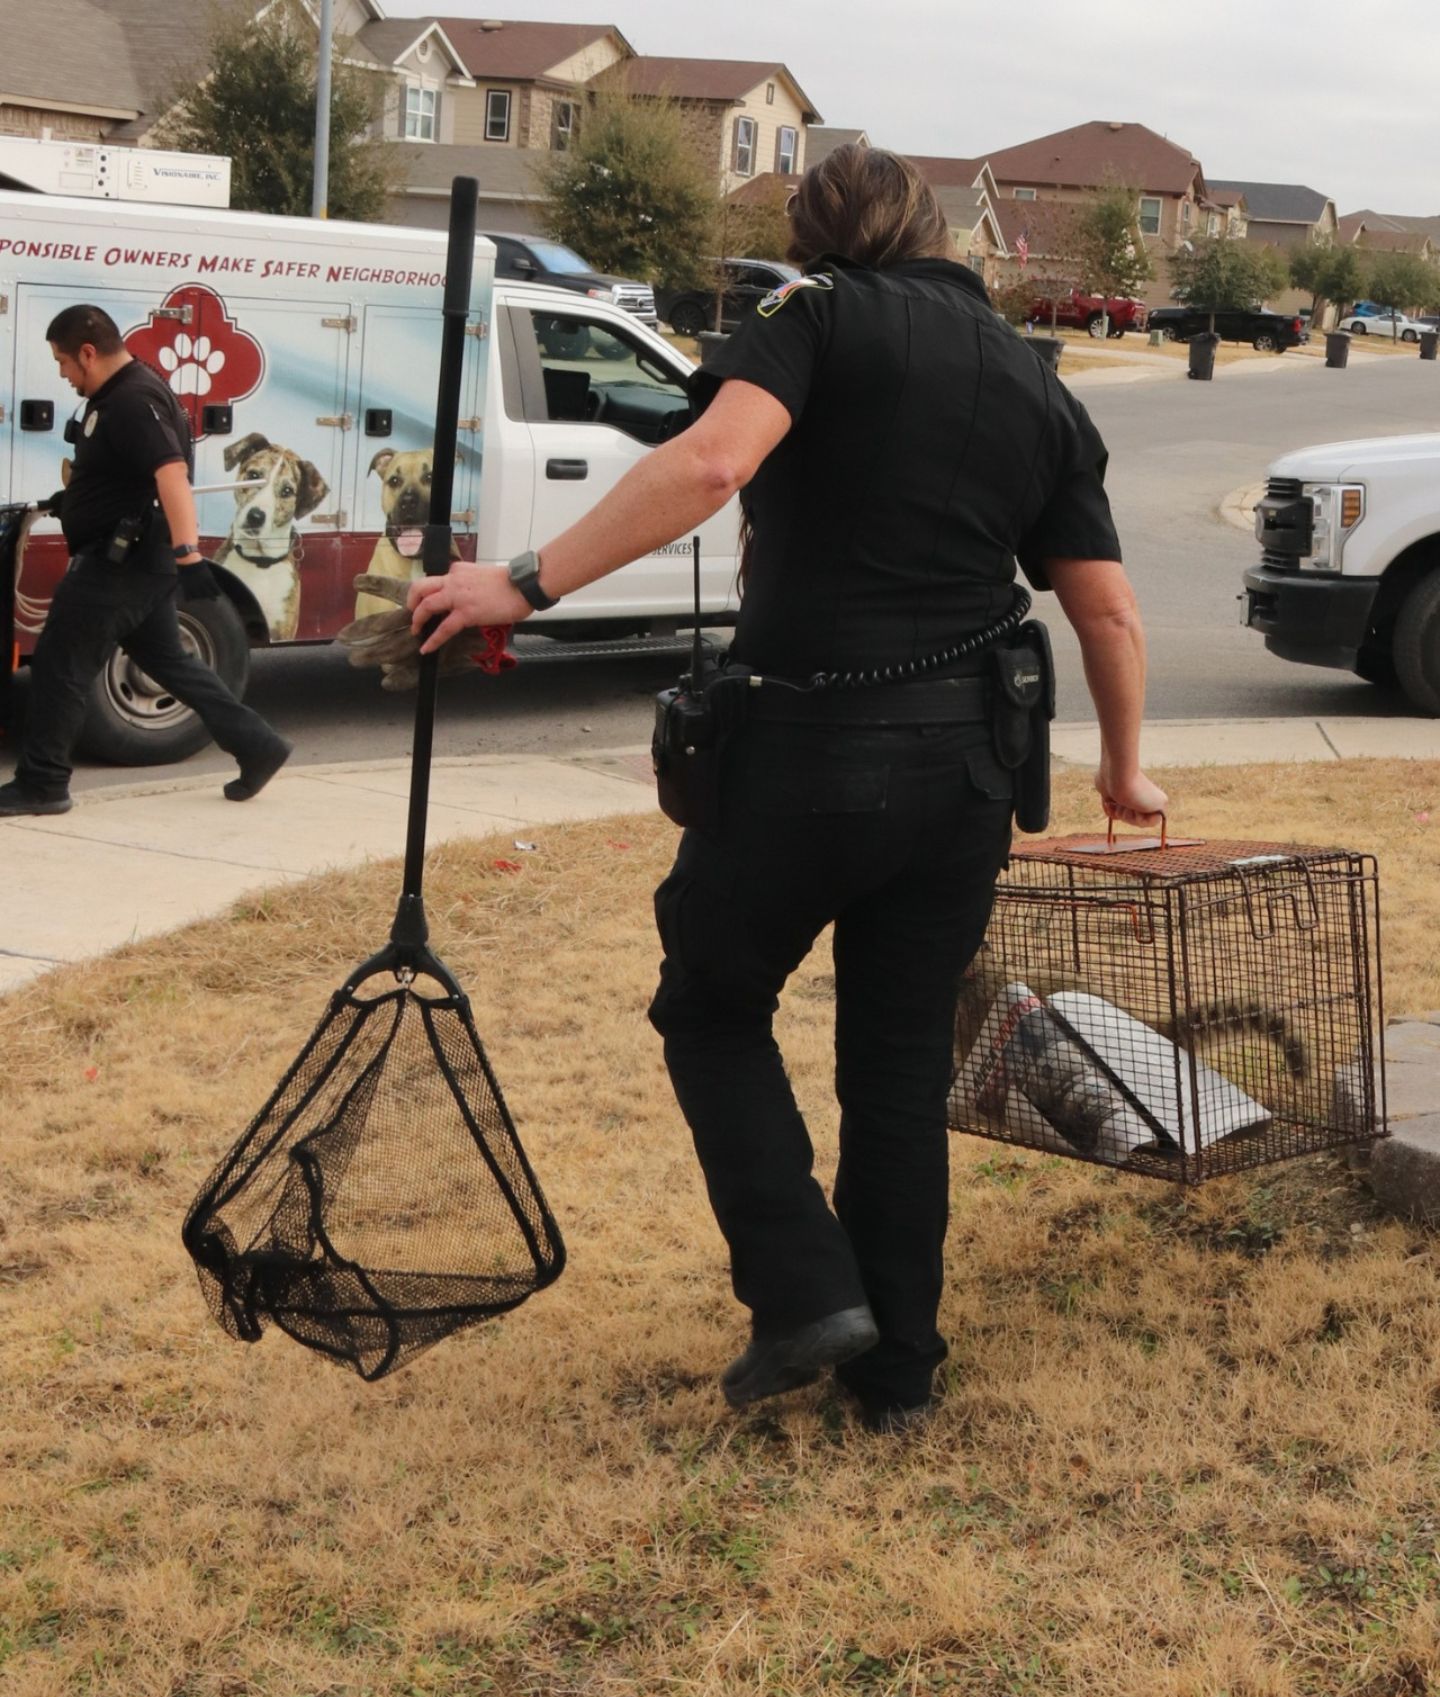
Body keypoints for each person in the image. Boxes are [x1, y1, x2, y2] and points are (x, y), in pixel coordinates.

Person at [390, 146, 1168, 1434]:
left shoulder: (811, 316)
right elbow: (1110, 608)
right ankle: (897, 1376)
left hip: (808, 754)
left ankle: (806, 1291)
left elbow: (710, 465)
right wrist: (1124, 765)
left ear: (817, 242)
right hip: (968, 771)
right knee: (900, 1067)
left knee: (710, 1003)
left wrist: (522, 582)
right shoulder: (1037, 382)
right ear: (934, 233)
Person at [0, 305, 291, 817]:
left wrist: (190, 555)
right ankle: (258, 745)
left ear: (89, 353)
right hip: (133, 557)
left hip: (120, 564)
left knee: (62, 665)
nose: (63, 374)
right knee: (169, 661)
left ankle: (43, 784)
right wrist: (75, 502)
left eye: (64, 362)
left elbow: (171, 474)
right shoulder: (118, 395)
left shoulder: (134, 399)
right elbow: (125, 475)